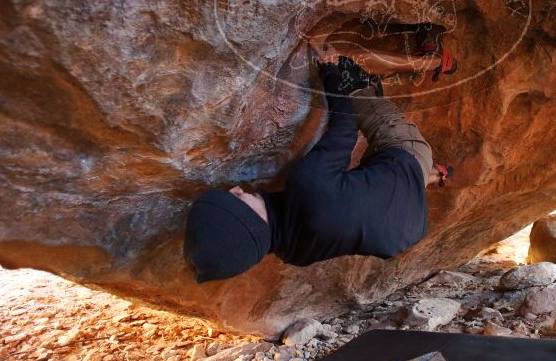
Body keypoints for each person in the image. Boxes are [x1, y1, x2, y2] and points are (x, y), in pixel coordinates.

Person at [184, 38, 453, 283]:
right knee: (357, 89)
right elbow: (345, 127)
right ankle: (434, 60)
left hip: (407, 230)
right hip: (403, 156)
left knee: (379, 183)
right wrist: (331, 72)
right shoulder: (310, 186)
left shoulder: (293, 252)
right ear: (249, 222)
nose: (236, 189)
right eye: (234, 200)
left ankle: (433, 174)